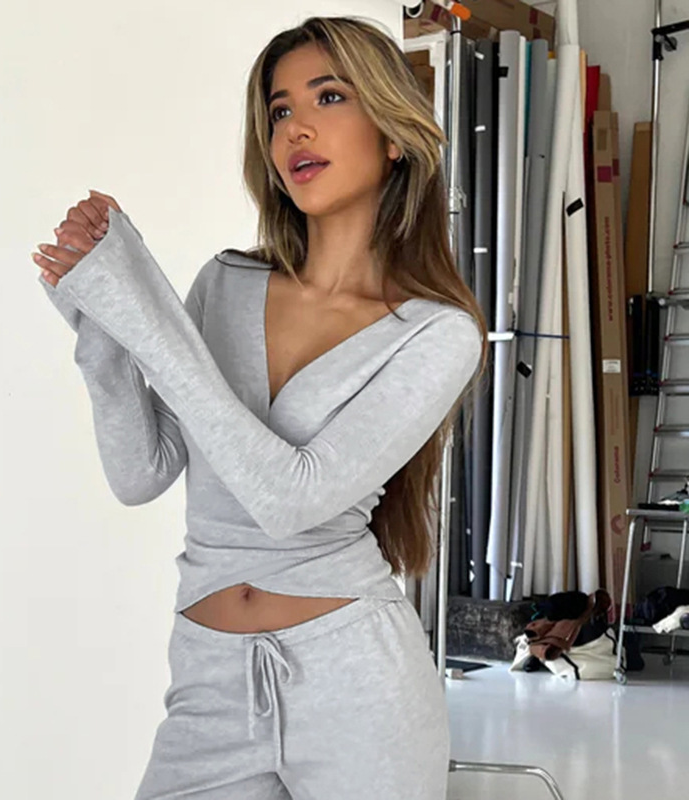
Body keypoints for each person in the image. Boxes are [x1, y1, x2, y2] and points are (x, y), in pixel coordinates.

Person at [33, 15, 488, 800]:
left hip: (357, 686)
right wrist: (103, 328)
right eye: (279, 110)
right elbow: (141, 473)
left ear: (393, 135)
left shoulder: (436, 333)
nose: (295, 128)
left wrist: (143, 312)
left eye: (329, 96)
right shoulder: (226, 283)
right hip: (209, 681)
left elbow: (291, 499)